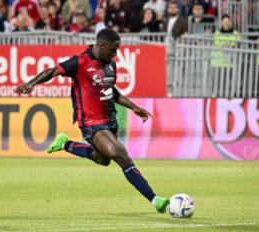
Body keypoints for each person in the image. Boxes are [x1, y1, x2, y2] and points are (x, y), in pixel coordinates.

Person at [15, 28, 170, 213]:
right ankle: (155, 200)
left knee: (102, 159)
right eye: (113, 49)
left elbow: (111, 91)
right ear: (101, 45)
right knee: (120, 154)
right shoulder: (79, 62)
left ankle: (66, 144)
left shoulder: (111, 65)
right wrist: (31, 83)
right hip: (90, 122)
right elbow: (52, 71)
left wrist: (133, 107)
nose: (116, 53)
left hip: (110, 120)